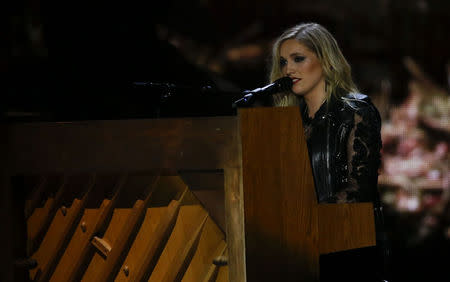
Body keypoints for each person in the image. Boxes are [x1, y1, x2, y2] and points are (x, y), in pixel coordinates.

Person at [267, 22, 390, 282]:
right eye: (283, 62)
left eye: (298, 59)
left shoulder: (356, 111)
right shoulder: (287, 122)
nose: (288, 69)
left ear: (325, 60)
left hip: (348, 252)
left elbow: (358, 191)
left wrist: (299, 219)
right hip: (297, 252)